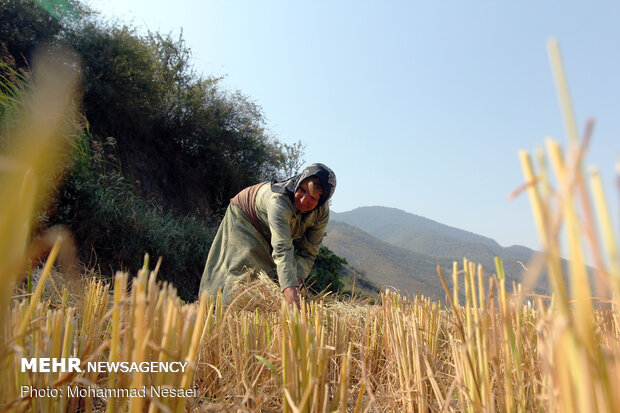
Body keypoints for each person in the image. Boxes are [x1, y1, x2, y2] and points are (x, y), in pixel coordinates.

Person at [199, 163, 336, 307]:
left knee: (272, 278)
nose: (303, 200)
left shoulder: (321, 214)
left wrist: (297, 278)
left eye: (313, 198)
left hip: (271, 231)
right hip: (245, 218)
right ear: (298, 182)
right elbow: (282, 249)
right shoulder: (279, 201)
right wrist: (290, 290)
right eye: (302, 190)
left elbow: (308, 252)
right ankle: (214, 309)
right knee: (242, 272)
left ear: (321, 202)